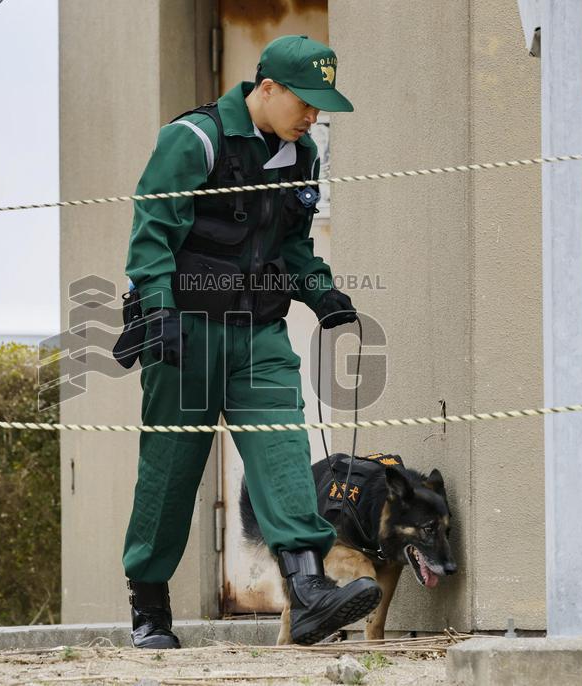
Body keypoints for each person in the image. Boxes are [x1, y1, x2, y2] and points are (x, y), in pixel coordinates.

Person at [118, 35, 380, 648]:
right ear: (267, 89)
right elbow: (150, 235)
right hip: (186, 329)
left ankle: (309, 591)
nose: (313, 116)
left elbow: (292, 244)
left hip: (259, 333)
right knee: (170, 473)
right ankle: (149, 605)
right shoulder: (193, 140)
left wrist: (322, 294)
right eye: (306, 102)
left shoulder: (301, 153)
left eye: (320, 106)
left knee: (284, 454)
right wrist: (159, 313)